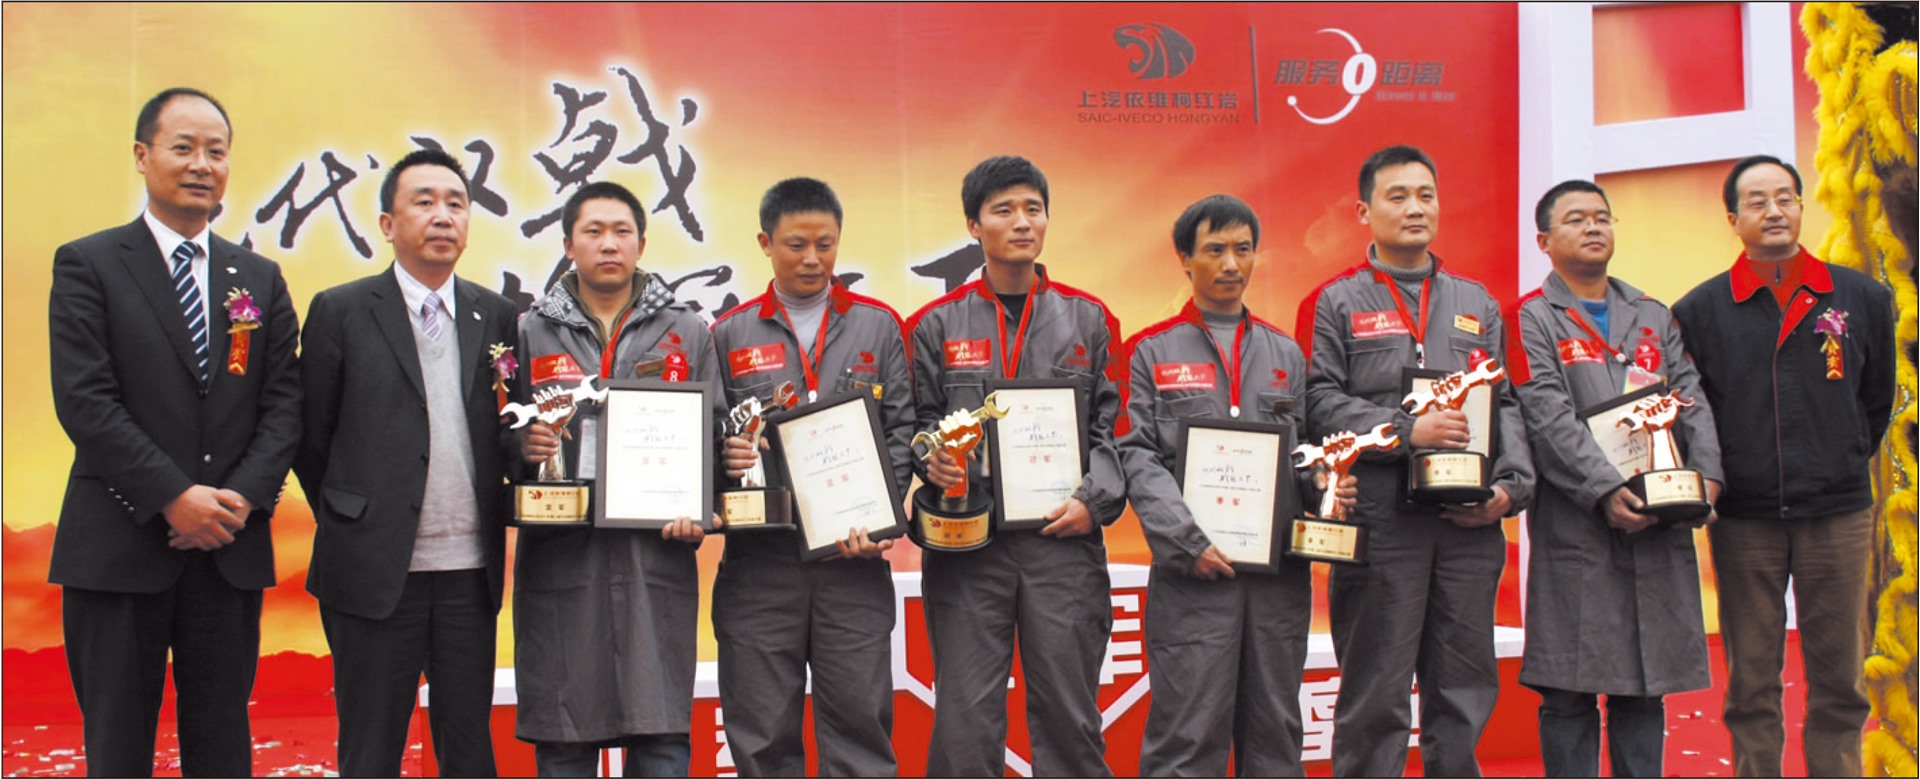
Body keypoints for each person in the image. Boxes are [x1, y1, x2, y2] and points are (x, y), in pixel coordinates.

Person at [48, 86, 300, 778]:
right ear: (142, 155)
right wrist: (171, 496)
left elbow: (284, 403)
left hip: (227, 548)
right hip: (118, 545)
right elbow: (85, 400)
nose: (201, 165)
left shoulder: (259, 279)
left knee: (221, 744)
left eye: (216, 152)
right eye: (183, 148)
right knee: (117, 745)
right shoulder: (90, 264)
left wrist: (238, 500)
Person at [1293, 144, 1534, 777]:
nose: (1415, 208)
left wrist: (1509, 490)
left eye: (1426, 195)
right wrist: (1407, 431)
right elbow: (1317, 401)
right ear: (1364, 211)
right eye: (1397, 196)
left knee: (1463, 689)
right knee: (1375, 692)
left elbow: (1505, 404)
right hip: (1381, 523)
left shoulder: (1477, 302)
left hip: (1466, 523)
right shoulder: (1334, 302)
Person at [295, 148, 519, 777]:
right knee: (371, 747)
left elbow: (506, 425)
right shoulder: (341, 310)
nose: (443, 216)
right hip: (371, 571)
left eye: (456, 204)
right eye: (424, 202)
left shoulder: (495, 314)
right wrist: (354, 513)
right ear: (388, 225)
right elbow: (310, 436)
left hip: (468, 573)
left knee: (467, 747)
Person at [1673, 155, 1894, 777]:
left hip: (1838, 514)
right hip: (1744, 519)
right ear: (1732, 219)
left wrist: (1839, 456)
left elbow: (1876, 398)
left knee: (1840, 677)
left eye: (1785, 198)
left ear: (1800, 206)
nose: (1774, 211)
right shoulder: (1700, 310)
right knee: (1751, 680)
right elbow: (1694, 414)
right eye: (1757, 201)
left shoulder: (1860, 297)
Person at [905, 155, 1127, 777]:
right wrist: (933, 463)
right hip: (969, 547)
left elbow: (1116, 429)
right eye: (1003, 210)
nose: (1022, 222)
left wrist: (1094, 502)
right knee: (965, 720)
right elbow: (914, 425)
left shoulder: (1090, 319)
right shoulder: (933, 325)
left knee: (1070, 716)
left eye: (1034, 208)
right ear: (973, 225)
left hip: (1064, 543)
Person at [1119, 194, 1355, 776]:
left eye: (1243, 250)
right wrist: (1186, 541)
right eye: (1215, 249)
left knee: (1275, 735)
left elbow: (1305, 452)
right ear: (1184, 258)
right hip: (1192, 579)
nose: (1231, 264)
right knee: (1186, 738)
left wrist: (1324, 485)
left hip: (1277, 583)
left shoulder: (1286, 354)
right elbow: (1136, 456)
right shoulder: (1148, 352)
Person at [1510, 180, 1722, 777]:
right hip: (1577, 523)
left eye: (1602, 217)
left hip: (1659, 517)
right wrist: (1604, 489)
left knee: (1644, 686)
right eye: (1576, 219)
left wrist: (1707, 480)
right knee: (1568, 687)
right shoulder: (1531, 317)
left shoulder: (1652, 314)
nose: (1593, 227)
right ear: (1544, 241)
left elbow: (1691, 398)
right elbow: (1546, 415)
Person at [707, 177, 915, 776]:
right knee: (762, 738)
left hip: (853, 565)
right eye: (796, 245)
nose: (812, 259)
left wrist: (879, 517)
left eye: (825, 244)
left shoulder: (879, 326)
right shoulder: (729, 333)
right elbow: (711, 437)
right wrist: (727, 459)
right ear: (765, 243)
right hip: (759, 567)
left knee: (860, 735)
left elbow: (902, 429)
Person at [510, 180, 718, 777]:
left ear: (641, 244)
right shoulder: (527, 332)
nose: (609, 244)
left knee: (661, 743)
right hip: (561, 561)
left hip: (654, 561)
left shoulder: (687, 331)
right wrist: (523, 448)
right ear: (568, 244)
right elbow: (495, 436)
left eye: (622, 231)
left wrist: (701, 507)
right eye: (593, 231)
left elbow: (712, 434)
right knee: (565, 744)